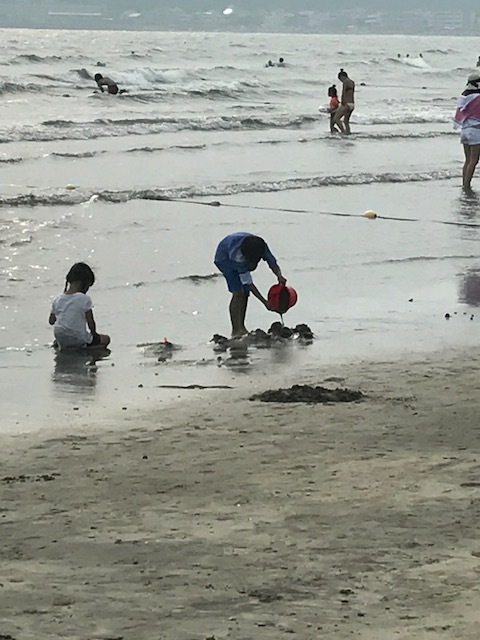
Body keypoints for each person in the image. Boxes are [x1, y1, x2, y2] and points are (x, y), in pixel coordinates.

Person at [214, 232, 286, 338]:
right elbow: (249, 284)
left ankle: (242, 327)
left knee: (246, 294)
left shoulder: (261, 246)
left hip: (236, 245)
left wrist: (279, 276)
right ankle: (236, 330)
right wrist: (264, 302)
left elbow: (272, 263)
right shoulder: (238, 258)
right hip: (224, 259)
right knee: (238, 293)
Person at [49, 262, 110, 350]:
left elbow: (51, 321)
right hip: (77, 336)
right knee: (106, 339)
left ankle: (63, 346)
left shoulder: (58, 299)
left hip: (59, 335)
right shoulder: (84, 298)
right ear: (84, 283)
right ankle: (85, 348)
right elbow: (90, 322)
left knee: (63, 337)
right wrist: (94, 334)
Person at [454, 71, 480, 191]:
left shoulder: (464, 96)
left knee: (467, 160)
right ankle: (467, 186)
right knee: (474, 160)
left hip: (465, 130)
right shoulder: (478, 98)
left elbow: (459, 115)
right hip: (476, 131)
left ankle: (464, 183)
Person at [333, 68, 355, 135]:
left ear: (342, 77)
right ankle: (348, 132)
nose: (341, 81)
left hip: (347, 103)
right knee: (346, 121)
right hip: (352, 104)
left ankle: (343, 131)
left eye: (340, 79)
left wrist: (342, 102)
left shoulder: (345, 82)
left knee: (336, 118)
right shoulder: (352, 82)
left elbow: (343, 93)